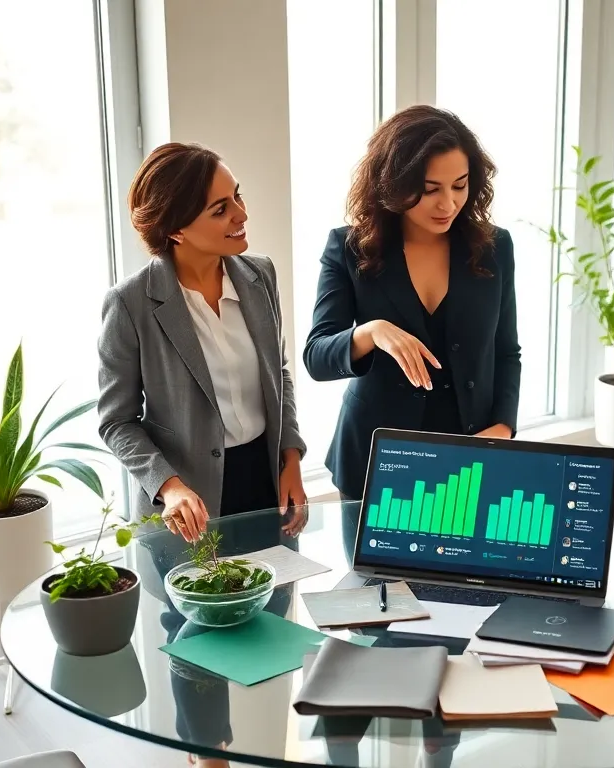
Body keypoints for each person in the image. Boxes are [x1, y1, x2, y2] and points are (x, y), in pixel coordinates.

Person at [303, 105, 521, 554]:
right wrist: (372, 332)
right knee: (376, 604)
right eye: (429, 190)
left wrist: (503, 426)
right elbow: (317, 356)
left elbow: (506, 351)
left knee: (463, 599)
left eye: (459, 186)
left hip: (467, 456)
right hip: (375, 462)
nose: (448, 204)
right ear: (394, 185)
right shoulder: (348, 247)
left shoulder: (494, 247)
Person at [98, 142, 309, 542]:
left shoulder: (260, 275)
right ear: (175, 229)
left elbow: (278, 375)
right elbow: (116, 421)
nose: (242, 214)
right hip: (187, 504)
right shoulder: (129, 305)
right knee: (193, 607)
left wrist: (292, 458)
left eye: (237, 196)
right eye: (220, 209)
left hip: (266, 483)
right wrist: (169, 486)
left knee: (277, 601)